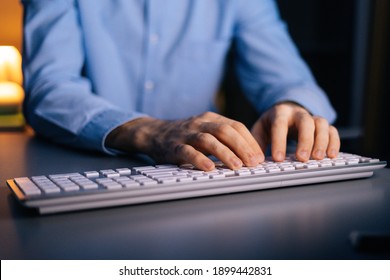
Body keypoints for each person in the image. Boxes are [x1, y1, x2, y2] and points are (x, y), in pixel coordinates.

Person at [22, 0, 340, 171]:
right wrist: (148, 130)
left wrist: (292, 107)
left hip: (199, 177)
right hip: (80, 172)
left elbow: (287, 77)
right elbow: (49, 90)